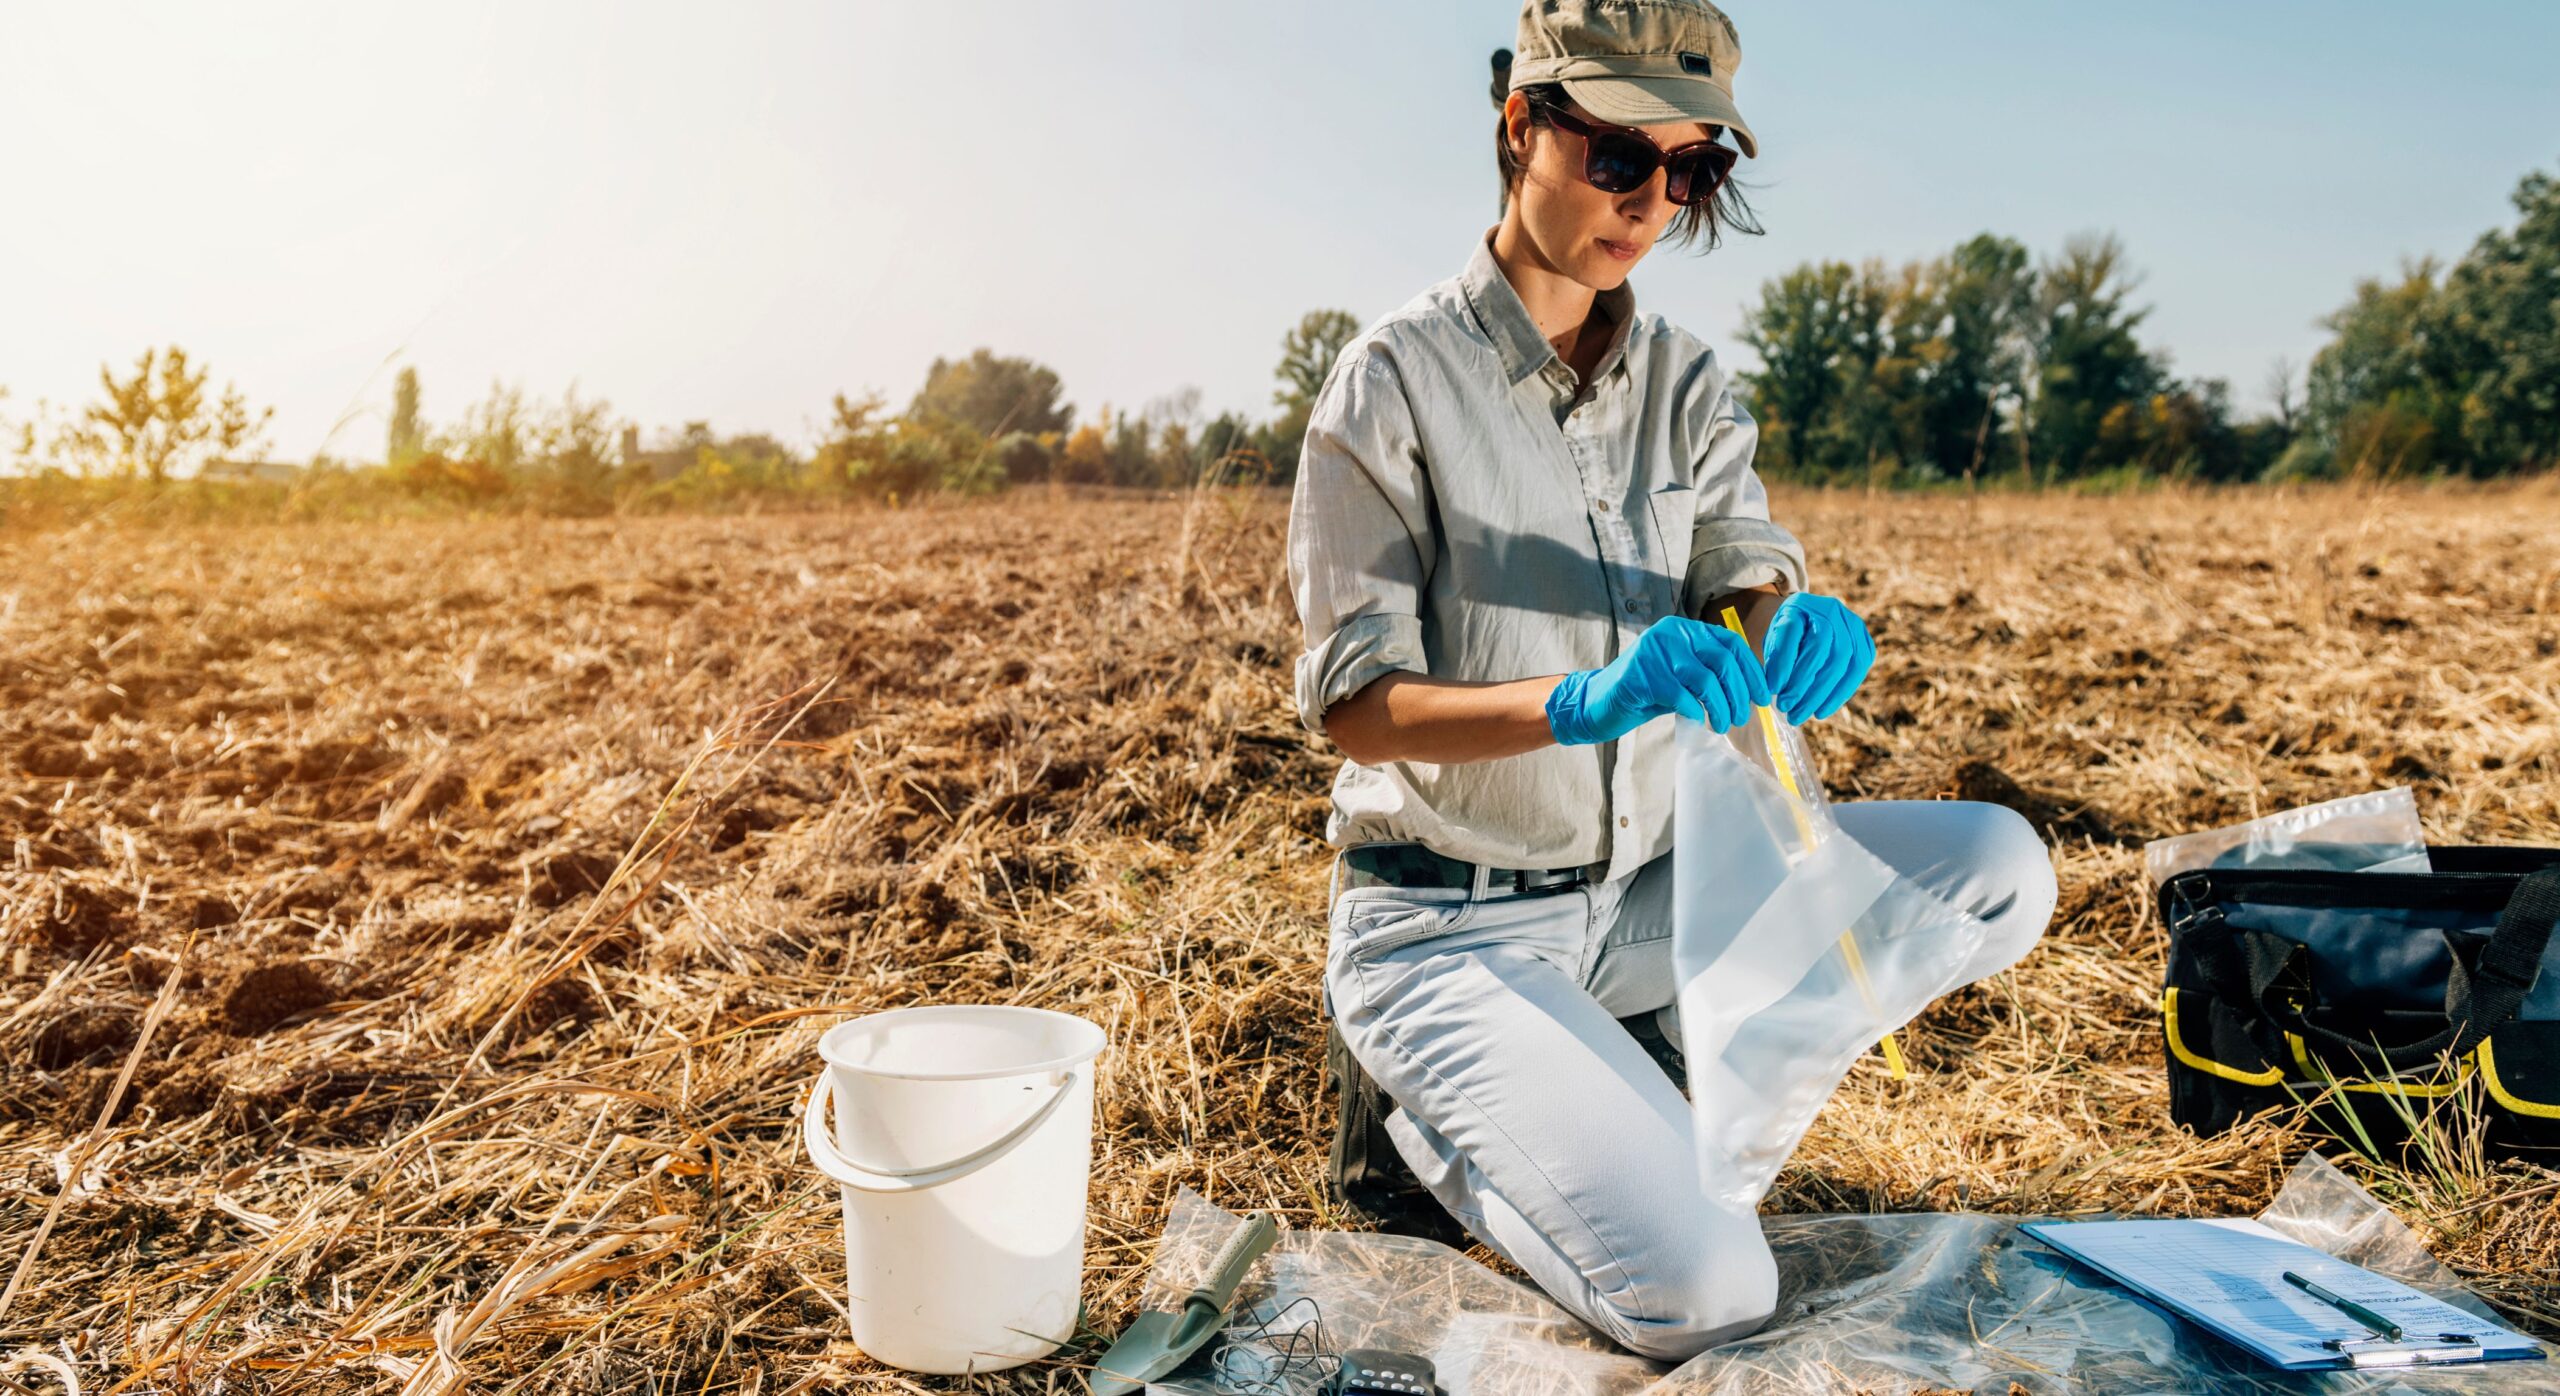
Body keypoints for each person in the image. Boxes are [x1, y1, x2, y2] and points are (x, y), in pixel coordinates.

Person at [1284, 0, 2060, 1363]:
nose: (1653, 201)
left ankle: (1670, 1089)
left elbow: (1739, 569)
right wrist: (1579, 702)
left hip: (1646, 893)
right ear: (1521, 126)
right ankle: (1432, 1134)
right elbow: (1354, 703)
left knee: (2002, 866)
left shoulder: (1689, 383)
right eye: (1618, 157)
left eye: (1693, 169)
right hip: (1449, 926)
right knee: (1710, 1299)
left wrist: (1786, 624)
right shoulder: (1391, 382)